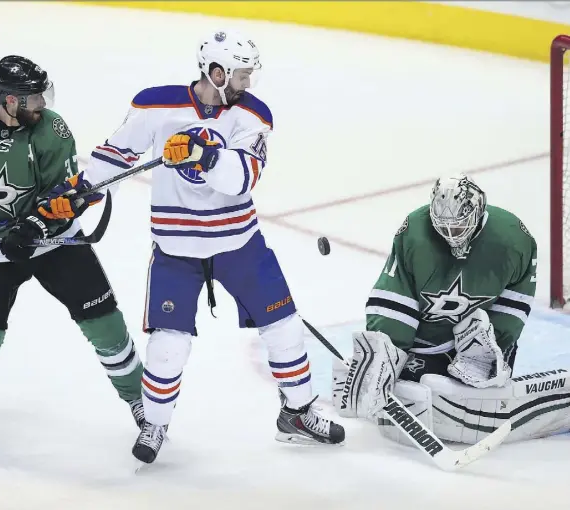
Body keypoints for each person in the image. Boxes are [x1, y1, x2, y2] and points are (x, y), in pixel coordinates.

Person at [39, 30, 345, 464]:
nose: (248, 84)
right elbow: (118, 152)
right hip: (176, 249)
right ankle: (156, 423)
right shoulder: (156, 104)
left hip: (240, 245)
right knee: (167, 346)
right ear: (216, 73)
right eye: (240, 75)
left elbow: (243, 178)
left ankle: (297, 413)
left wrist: (205, 156)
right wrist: (83, 189)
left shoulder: (252, 115)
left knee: (286, 330)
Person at [333, 174, 569, 443]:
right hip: (423, 343)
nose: (450, 235)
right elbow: (393, 296)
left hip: (471, 339)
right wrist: (385, 349)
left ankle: (474, 364)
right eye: (443, 227)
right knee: (409, 384)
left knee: (475, 381)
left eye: (458, 228)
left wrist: (494, 347)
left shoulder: (513, 240)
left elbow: (514, 304)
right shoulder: (414, 232)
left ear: (478, 214)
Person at [0, 55, 145, 430]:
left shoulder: (52, 131)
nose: (42, 105)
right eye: (33, 99)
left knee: (106, 325)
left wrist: (34, 227)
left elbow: (67, 198)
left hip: (53, 243)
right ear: (8, 101)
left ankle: (143, 403)